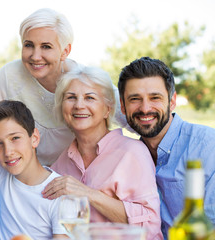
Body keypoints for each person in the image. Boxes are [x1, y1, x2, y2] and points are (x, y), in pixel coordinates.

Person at [0, 8, 128, 166]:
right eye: (28, 45)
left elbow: (132, 116)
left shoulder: (85, 82)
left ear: (65, 51)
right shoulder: (10, 75)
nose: (35, 56)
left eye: (46, 46)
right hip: (29, 179)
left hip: (79, 176)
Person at [42, 65, 162, 240]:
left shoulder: (132, 153)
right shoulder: (62, 163)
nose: (79, 105)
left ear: (107, 109)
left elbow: (149, 227)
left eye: (89, 97)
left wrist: (87, 193)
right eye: (71, 98)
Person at [117, 57, 215, 239]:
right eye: (135, 99)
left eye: (155, 98)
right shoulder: (128, 157)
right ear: (123, 106)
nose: (145, 108)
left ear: (172, 101)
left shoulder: (208, 147)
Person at [0, 100, 68, 239]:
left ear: (34, 138)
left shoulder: (60, 194)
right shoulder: (0, 168)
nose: (8, 152)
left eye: (15, 138)